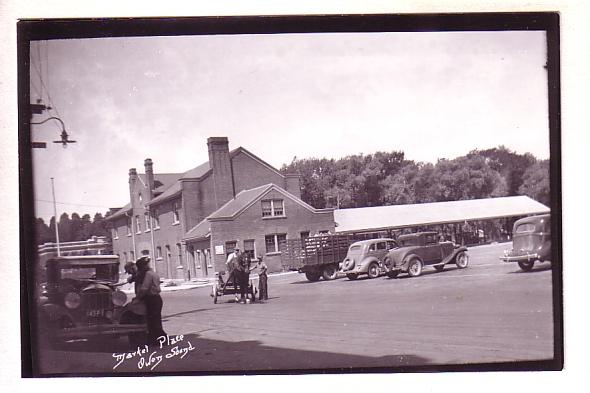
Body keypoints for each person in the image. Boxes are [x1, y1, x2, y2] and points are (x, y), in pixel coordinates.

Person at [135, 256, 167, 345]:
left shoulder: (148, 275)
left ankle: (162, 339)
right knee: (155, 320)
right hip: (156, 299)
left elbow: (144, 288)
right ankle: (155, 340)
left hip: (152, 299)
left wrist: (137, 298)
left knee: (153, 321)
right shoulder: (153, 273)